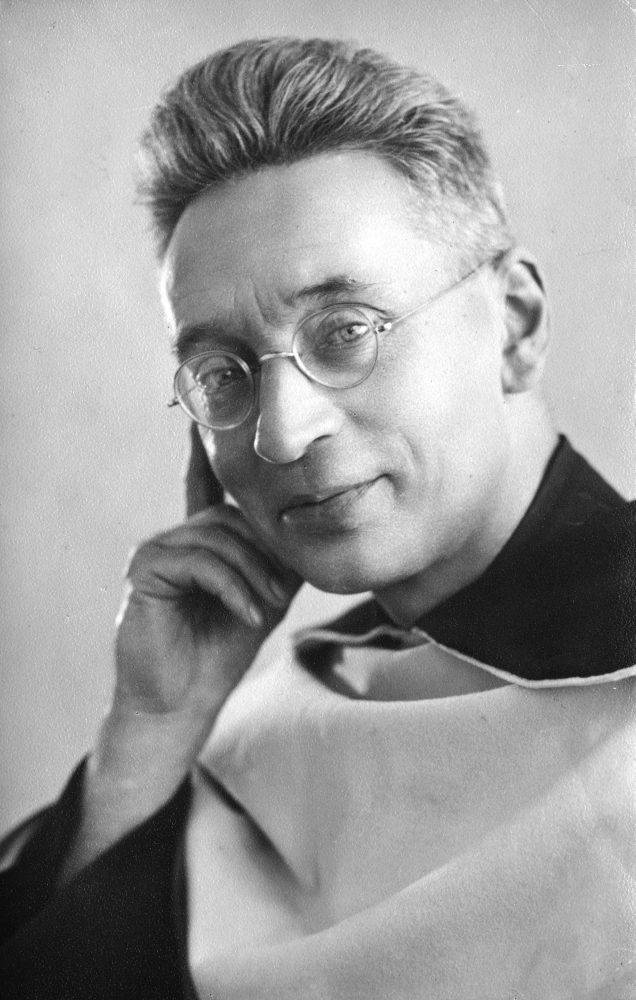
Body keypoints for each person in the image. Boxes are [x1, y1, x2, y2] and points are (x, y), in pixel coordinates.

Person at [1, 36, 635, 999]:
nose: (281, 432)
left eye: (345, 332)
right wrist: (151, 735)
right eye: (221, 373)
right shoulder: (271, 720)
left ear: (514, 325)